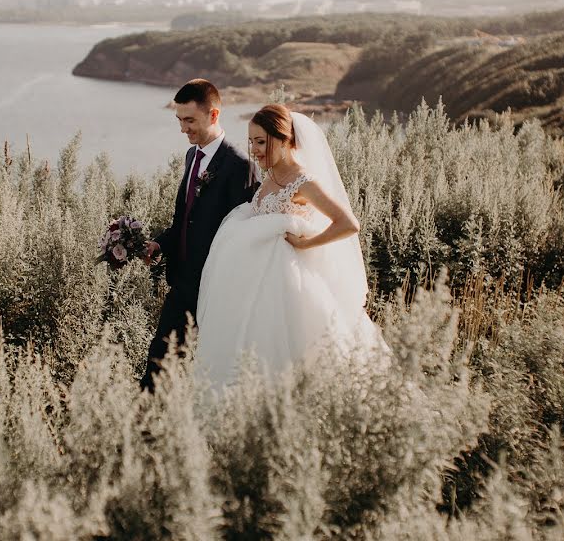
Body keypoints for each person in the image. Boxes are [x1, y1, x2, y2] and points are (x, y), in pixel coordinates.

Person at [194, 104, 387, 389]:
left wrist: (307, 242)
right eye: (252, 142)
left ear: (285, 140)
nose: (255, 149)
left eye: (261, 141)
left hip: (286, 284)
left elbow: (348, 223)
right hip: (253, 282)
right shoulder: (269, 175)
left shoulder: (303, 182)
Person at [139, 79, 257, 392]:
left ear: (214, 115)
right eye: (179, 120)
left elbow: (244, 235)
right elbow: (184, 221)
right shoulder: (193, 157)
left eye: (189, 120)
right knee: (158, 363)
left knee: (216, 372)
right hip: (184, 284)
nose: (183, 129)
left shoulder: (239, 166)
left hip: (217, 288)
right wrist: (159, 244)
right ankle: (145, 433)